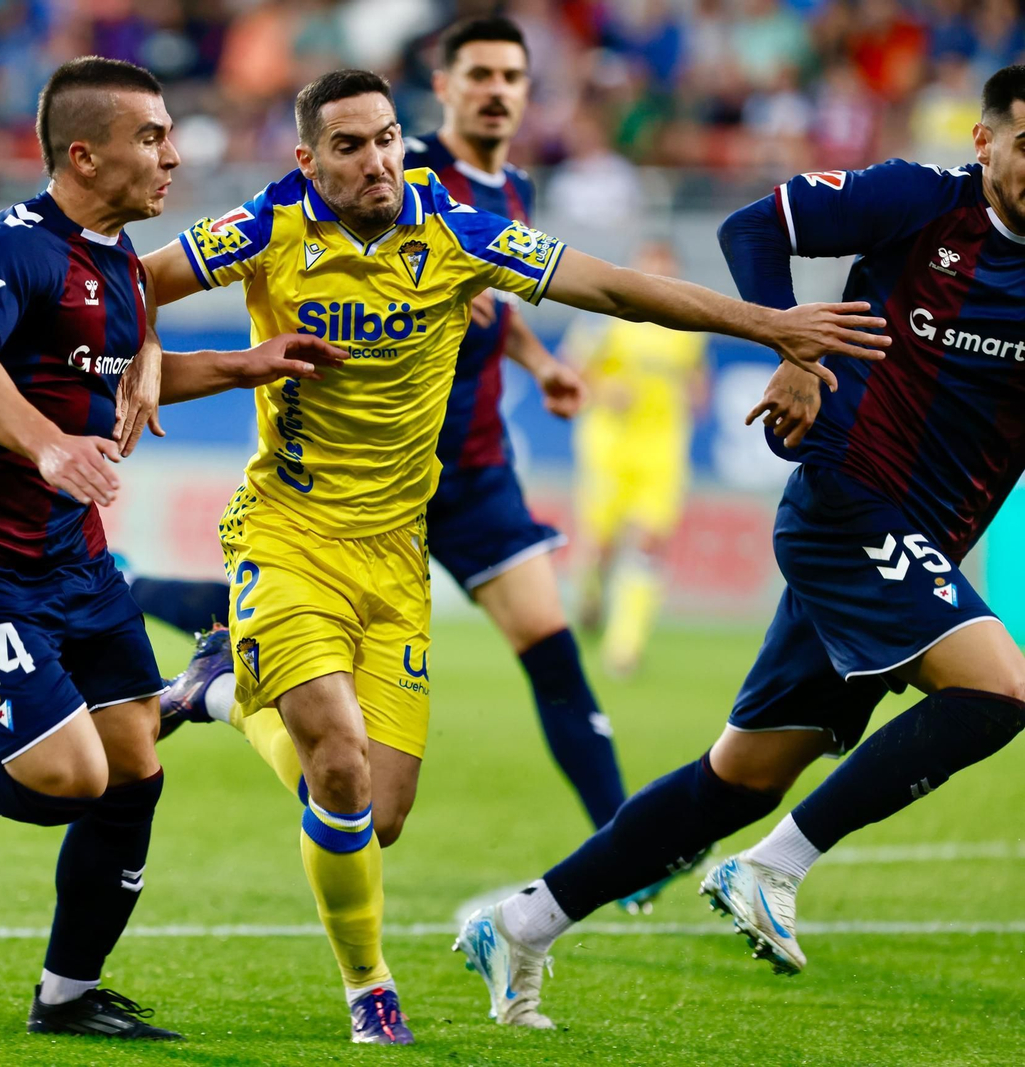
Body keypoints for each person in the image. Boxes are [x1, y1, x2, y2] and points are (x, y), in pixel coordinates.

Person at [139, 66, 888, 1043]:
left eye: (386, 138)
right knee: (337, 752)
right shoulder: (262, 227)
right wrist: (144, 363)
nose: (377, 161)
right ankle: (370, 988)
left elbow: (613, 286)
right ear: (308, 160)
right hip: (287, 530)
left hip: (395, 553)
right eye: (350, 146)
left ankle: (215, 691)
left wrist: (771, 326)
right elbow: (130, 284)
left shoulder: (453, 232)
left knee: (376, 809)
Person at [459, 63, 1025, 1030]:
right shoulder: (925, 203)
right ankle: (774, 866)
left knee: (740, 779)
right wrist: (793, 348)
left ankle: (521, 921)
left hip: (917, 543)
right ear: (985, 140)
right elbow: (751, 227)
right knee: (1000, 690)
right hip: (849, 504)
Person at [0, 56, 344, 1042]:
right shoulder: (18, 247)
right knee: (67, 779)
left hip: (73, 558)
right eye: (152, 137)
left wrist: (248, 365)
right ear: (84, 154)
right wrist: (47, 444)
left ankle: (67, 995)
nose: (173, 155)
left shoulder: (124, 264)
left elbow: (129, 378)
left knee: (132, 767)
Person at [153, 17, 646, 872]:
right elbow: (166, 272)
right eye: (479, 75)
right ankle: (169, 621)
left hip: (468, 470)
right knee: (307, 662)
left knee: (551, 652)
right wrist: (146, 366)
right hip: (341, 480)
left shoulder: (508, 192)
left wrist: (539, 363)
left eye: (512, 76)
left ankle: (628, 852)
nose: (496, 91)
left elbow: (492, 292)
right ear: (443, 88)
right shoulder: (396, 175)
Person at [563, 240, 709, 678]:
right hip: (609, 448)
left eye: (666, 271)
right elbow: (570, 371)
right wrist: (605, 390)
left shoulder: (687, 325)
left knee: (649, 544)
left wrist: (695, 396)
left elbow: (699, 383)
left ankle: (624, 648)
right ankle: (590, 594)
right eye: (650, 270)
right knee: (601, 547)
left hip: (662, 450)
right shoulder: (605, 316)